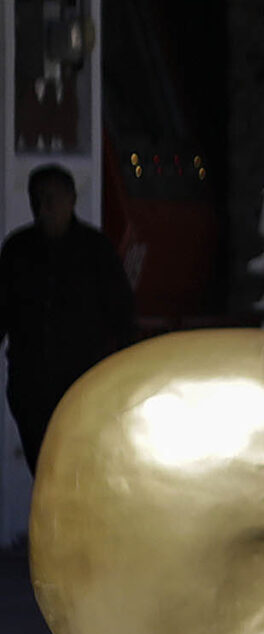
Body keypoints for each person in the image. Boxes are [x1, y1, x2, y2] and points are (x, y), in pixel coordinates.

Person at [0, 164, 133, 465]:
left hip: (81, 381)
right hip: (31, 383)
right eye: (38, 199)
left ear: (71, 200)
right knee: (45, 462)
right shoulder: (17, 250)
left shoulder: (95, 250)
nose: (44, 208)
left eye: (51, 198)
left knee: (75, 460)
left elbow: (122, 314)